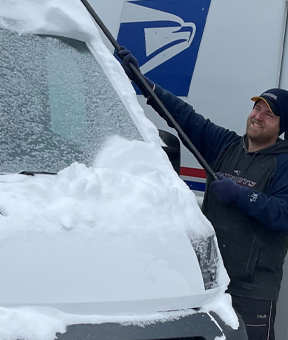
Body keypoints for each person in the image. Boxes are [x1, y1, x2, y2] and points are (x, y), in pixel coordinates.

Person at [117, 48, 288, 340]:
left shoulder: (283, 163)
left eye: (268, 114)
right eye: (256, 107)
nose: (257, 116)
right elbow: (184, 117)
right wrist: (144, 83)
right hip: (211, 281)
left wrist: (240, 195)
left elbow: (283, 214)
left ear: (281, 126)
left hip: (253, 291)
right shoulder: (226, 145)